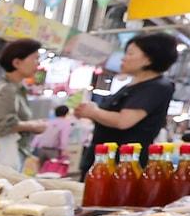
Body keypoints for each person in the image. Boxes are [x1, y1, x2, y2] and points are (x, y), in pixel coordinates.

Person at [76, 32, 179, 171]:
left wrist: (94, 112)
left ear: (148, 59)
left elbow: (124, 121)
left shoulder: (156, 87)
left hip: (123, 166)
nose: (123, 59)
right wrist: (92, 112)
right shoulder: (132, 85)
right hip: (104, 160)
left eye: (130, 54)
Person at [0, 39, 48, 163]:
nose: (38, 64)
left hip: (10, 155)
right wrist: (33, 126)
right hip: (3, 157)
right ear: (17, 63)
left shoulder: (17, 89)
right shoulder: (7, 89)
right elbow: (1, 125)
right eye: (35, 58)